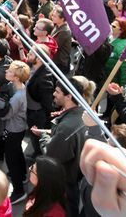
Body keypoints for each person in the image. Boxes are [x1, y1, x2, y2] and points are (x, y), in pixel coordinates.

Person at [32, 78, 86, 217]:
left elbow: (50, 155)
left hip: (66, 182)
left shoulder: (67, 127)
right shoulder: (82, 113)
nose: (54, 94)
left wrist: (43, 137)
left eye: (57, 91)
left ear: (69, 96)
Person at [0, 60, 30, 203]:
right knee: (17, 152)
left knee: (11, 160)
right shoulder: (18, 87)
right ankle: (23, 175)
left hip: (13, 130)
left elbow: (6, 114)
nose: (6, 72)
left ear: (16, 77)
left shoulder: (17, 96)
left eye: (10, 71)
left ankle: (19, 191)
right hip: (19, 128)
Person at [50, 6, 72, 75]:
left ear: (62, 19)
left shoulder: (64, 31)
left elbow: (54, 46)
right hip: (55, 60)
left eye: (55, 16)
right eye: (53, 15)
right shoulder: (57, 25)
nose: (52, 17)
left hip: (59, 63)